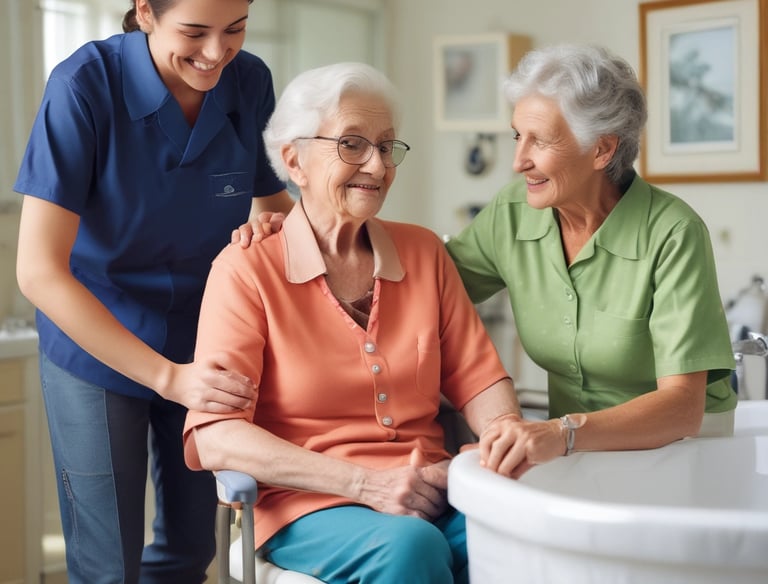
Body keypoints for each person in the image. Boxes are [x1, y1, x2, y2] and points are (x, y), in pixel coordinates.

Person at [182, 61, 521, 583]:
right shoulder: (246, 269)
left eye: (386, 146)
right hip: (308, 503)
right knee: (412, 547)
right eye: (352, 144)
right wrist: (366, 484)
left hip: (430, 488)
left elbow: (479, 379)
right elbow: (217, 437)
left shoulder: (423, 251)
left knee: (522, 530)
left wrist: (501, 437)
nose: (377, 165)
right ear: (294, 160)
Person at [14, 0, 294, 581]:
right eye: (194, 32)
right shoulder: (83, 85)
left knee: (193, 551)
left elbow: (276, 208)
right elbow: (37, 271)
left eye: (235, 29)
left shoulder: (248, 81)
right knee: (109, 565)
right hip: (96, 342)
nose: (216, 52)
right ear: (145, 12)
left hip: (204, 340)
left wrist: (283, 229)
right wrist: (169, 378)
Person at [445, 44, 737, 479]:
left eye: (540, 140)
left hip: (685, 455)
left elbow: (682, 407)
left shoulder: (674, 232)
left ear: (601, 150)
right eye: (517, 136)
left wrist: (561, 432)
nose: (519, 161)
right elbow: (429, 287)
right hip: (577, 455)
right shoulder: (513, 212)